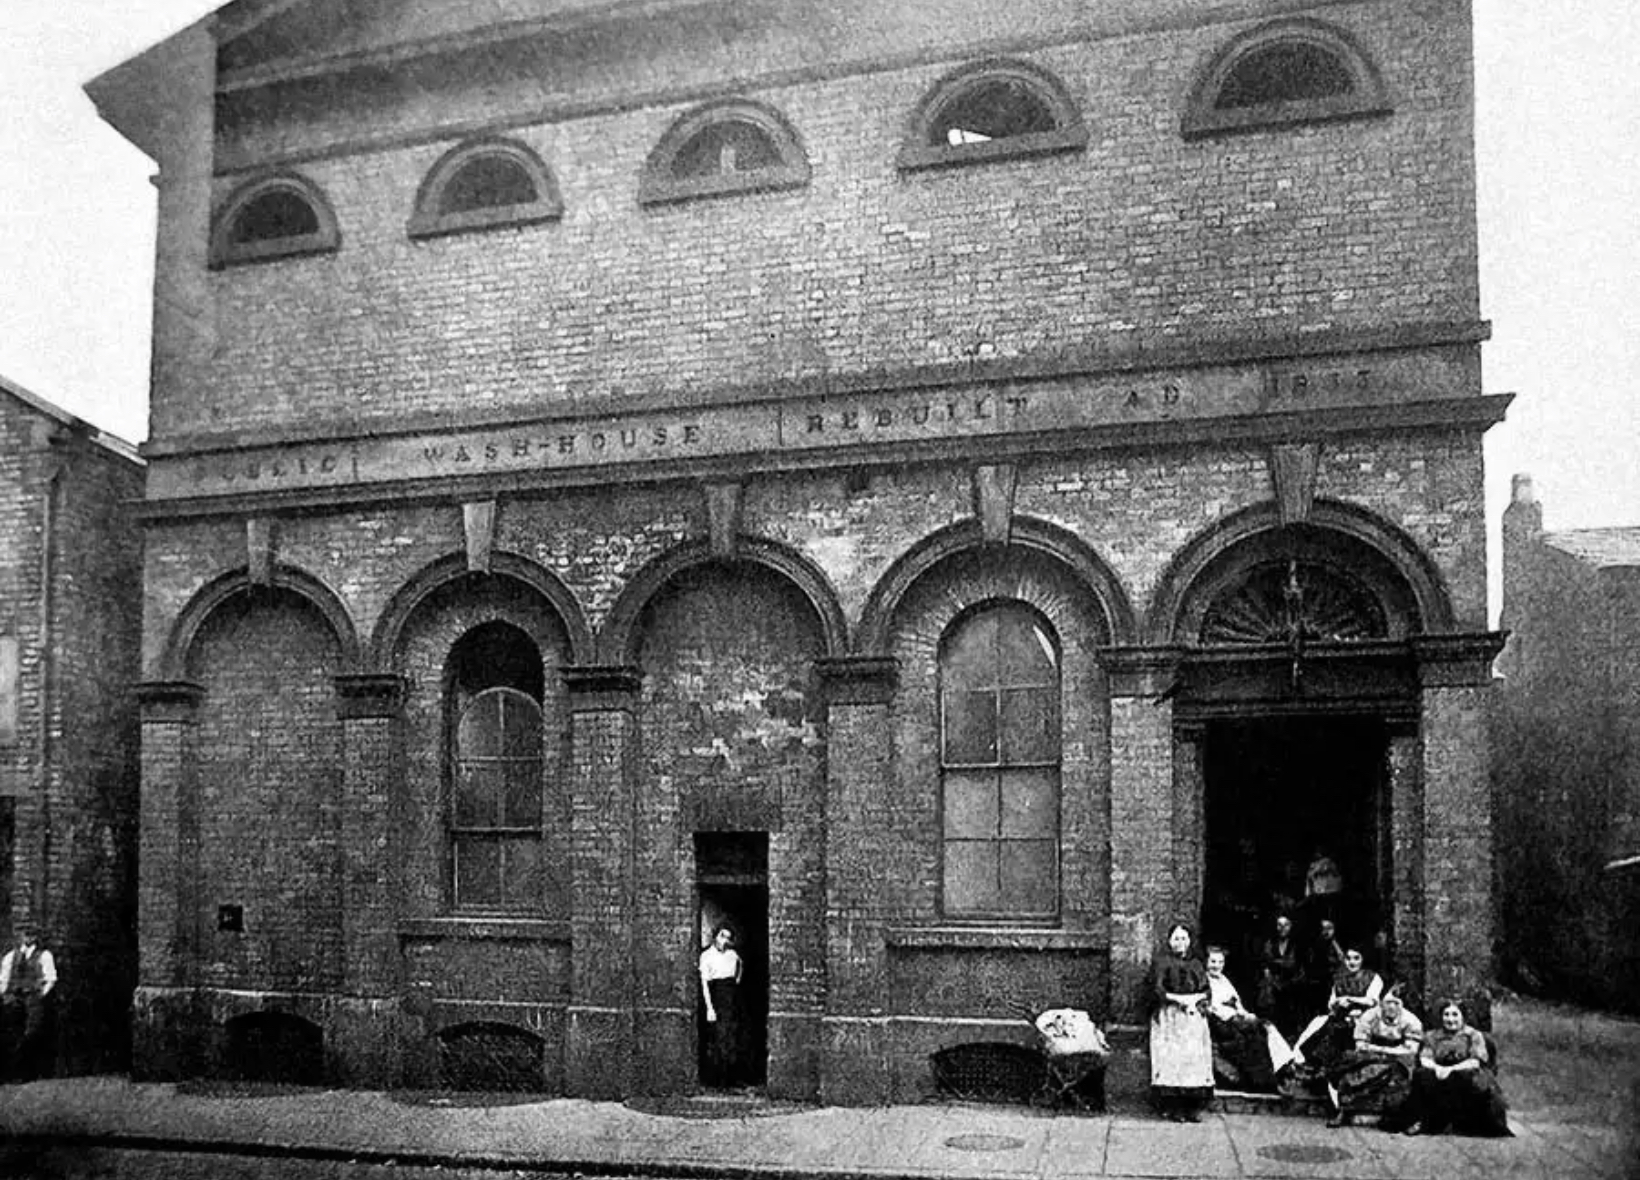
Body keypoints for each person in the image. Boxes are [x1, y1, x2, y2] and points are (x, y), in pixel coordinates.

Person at [1401, 1000, 1511, 1137]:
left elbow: (1475, 1061)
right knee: (1422, 1075)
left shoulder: (1473, 1035)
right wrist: (1437, 1068)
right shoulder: (1432, 1036)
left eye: (1455, 1014)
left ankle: (1468, 1122)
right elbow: (1425, 1058)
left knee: (1470, 1079)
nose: (1450, 1019)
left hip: (1465, 1072)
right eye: (1446, 1015)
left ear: (1462, 1017)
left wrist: (1451, 1069)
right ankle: (1425, 1122)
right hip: (1440, 1072)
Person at [1324, 984, 1423, 1128]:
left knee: (1393, 1071)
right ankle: (1342, 1108)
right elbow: (1361, 1045)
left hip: (1397, 1060)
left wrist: (1383, 1052)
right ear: (1381, 1002)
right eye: (1388, 1002)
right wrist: (1380, 1052)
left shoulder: (1411, 1022)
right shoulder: (1370, 1016)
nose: (1391, 1007)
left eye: (1396, 1003)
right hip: (1371, 1056)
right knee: (1349, 1060)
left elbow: (1410, 1050)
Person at [1204, 946, 1295, 1093]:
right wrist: (1235, 1016)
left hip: (1236, 1018)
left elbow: (1236, 1002)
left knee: (1266, 1027)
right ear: (1206, 962)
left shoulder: (1224, 980)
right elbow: (1212, 1007)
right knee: (1257, 1030)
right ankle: (1267, 1079)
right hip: (1221, 1022)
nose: (1217, 966)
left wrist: (1244, 1013)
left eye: (1220, 962)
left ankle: (1282, 1066)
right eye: (1213, 961)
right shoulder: (1205, 981)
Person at [1147, 923, 1214, 1122]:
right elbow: (1156, 989)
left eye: (1184, 939)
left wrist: (1198, 999)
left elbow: (1207, 989)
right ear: (1169, 941)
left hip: (1192, 1018)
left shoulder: (1196, 964)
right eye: (1176, 939)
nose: (1180, 943)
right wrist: (1176, 999)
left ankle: (1191, 1108)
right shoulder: (1161, 962)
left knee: (1192, 1061)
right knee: (1172, 1061)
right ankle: (1173, 1108)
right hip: (1171, 1017)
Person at [1292, 946, 1382, 1073]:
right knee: (1320, 1029)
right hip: (1342, 1017)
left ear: (1362, 960)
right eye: (1348, 958)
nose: (1352, 962)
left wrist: (1350, 999)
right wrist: (1338, 1003)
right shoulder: (1339, 979)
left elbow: (1372, 1001)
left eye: (1356, 958)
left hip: (1364, 1019)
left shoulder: (1372, 977)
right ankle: (1311, 1064)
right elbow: (1331, 1002)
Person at [0, 924, 58, 1082]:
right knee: (13, 1033)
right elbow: (4, 978)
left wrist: (40, 995)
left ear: (36, 937)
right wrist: (5, 994)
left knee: (31, 1033)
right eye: (25, 935)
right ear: (21, 937)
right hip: (15, 998)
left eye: (31, 935)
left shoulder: (44, 955)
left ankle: (28, 1073)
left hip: (33, 998)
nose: (28, 938)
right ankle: (14, 1073)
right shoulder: (11, 955)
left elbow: (50, 979)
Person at [698, 925, 744, 1087]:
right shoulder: (707, 956)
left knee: (733, 1036)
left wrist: (737, 980)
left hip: (731, 996)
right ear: (715, 936)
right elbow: (704, 983)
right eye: (722, 936)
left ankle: (732, 1079)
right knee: (718, 1037)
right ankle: (717, 1080)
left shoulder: (732, 955)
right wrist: (710, 1007)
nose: (724, 941)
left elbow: (740, 964)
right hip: (717, 996)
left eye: (728, 938)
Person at [1257, 913, 1306, 1038]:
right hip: (1274, 982)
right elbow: (1266, 962)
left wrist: (1277, 964)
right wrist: (1270, 970)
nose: (1282, 928)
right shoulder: (1270, 943)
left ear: (1291, 926)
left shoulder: (1297, 944)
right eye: (1279, 925)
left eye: (1286, 925)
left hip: (1293, 982)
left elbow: (1295, 965)